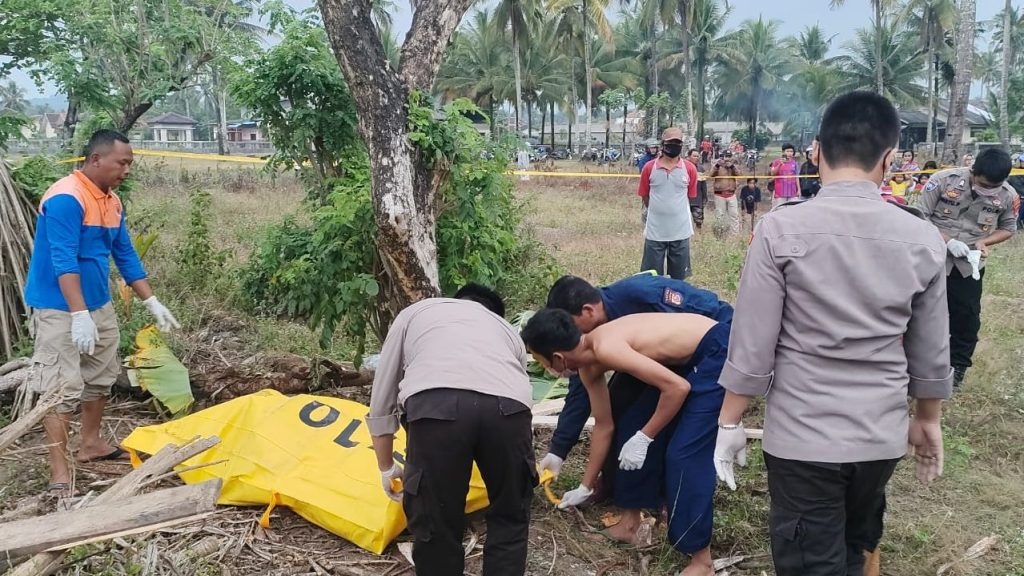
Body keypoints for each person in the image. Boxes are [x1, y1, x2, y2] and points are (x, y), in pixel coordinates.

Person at [712, 91, 953, 576]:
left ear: (816, 151)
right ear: (889, 159)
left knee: (811, 562)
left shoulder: (782, 230)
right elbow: (930, 349)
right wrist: (928, 418)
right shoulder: (923, 239)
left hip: (804, 439)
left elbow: (753, 344)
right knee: (853, 549)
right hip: (879, 437)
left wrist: (729, 423)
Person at [23, 129, 180, 497]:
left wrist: (150, 301)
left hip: (97, 303)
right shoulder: (66, 197)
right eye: (122, 163)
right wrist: (78, 314)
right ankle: (59, 470)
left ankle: (90, 443)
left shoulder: (112, 201)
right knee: (60, 388)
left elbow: (124, 253)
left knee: (100, 377)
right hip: (59, 307)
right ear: (96, 160)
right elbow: (63, 258)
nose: (126, 170)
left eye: (129, 164)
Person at [522, 311, 729, 576]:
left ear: (559, 358)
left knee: (684, 455)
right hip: (683, 362)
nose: (547, 370)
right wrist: (585, 485)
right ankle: (630, 524)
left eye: (542, 363)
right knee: (628, 424)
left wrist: (645, 437)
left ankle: (703, 562)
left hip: (715, 350)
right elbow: (604, 426)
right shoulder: (588, 364)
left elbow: (677, 389)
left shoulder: (606, 347)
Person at [367, 284, 535, 576]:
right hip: (508, 413)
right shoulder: (507, 331)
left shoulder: (416, 313)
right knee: (511, 515)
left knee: (436, 521)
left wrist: (385, 465)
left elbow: (382, 398)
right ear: (493, 313)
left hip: (436, 409)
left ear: (455, 301)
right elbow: (519, 390)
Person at [916, 148, 1017, 388]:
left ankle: (957, 368)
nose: (988, 191)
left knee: (967, 318)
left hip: (967, 265)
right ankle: (918, 364)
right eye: (983, 185)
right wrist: (947, 241)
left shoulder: (1007, 194)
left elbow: (1008, 228)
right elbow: (920, 217)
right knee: (921, 312)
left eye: (993, 187)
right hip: (932, 258)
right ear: (973, 171)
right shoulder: (942, 181)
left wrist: (984, 242)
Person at [638, 127, 697, 280]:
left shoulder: (689, 168)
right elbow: (645, 196)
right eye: (671, 142)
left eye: (678, 143)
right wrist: (660, 211)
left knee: (679, 279)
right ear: (663, 144)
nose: (674, 146)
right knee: (651, 278)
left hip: (680, 231)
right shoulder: (649, 168)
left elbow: (690, 196)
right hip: (655, 232)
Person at [709, 151, 743, 234]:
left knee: (734, 215)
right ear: (722, 157)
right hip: (719, 194)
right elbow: (711, 175)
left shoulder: (734, 166)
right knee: (720, 216)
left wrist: (732, 167)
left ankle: (734, 235)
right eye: (726, 156)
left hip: (731, 194)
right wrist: (717, 165)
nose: (727, 158)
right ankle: (720, 234)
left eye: (729, 156)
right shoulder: (717, 166)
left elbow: (739, 175)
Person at [769, 143, 801, 208]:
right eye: (787, 151)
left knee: (792, 211)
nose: (789, 153)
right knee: (780, 210)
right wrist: (780, 164)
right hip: (780, 192)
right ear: (783, 152)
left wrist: (799, 190)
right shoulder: (776, 162)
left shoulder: (795, 163)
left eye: (791, 151)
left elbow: (797, 177)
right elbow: (772, 173)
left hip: (792, 192)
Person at [688, 148, 708, 229]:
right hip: (685, 199)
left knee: (699, 221)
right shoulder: (683, 167)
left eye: (698, 156)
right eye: (694, 156)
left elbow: (703, 184)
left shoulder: (701, 169)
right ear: (689, 156)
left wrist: (705, 196)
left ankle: (699, 238)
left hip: (697, 199)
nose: (696, 158)